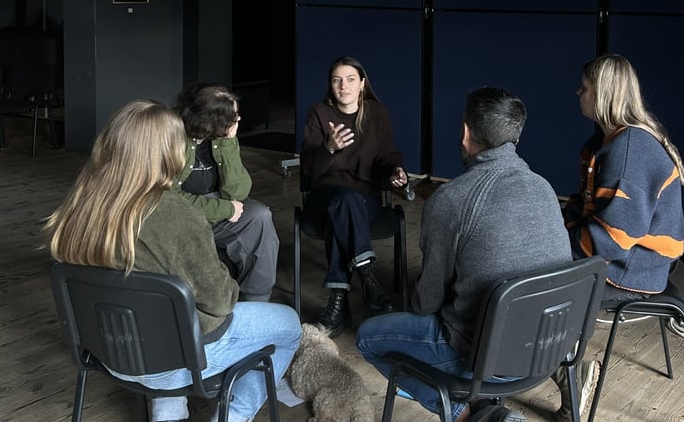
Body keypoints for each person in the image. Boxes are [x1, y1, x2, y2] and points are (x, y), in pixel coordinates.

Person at [43, 99, 301, 422]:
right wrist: (225, 276)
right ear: (168, 152)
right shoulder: (174, 213)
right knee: (289, 325)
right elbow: (220, 303)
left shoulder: (79, 207)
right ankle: (232, 416)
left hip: (106, 350)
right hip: (174, 362)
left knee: (162, 309)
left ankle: (168, 412)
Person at [356, 87, 577, 422]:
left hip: (485, 358)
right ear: (515, 135)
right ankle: (489, 411)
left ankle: (464, 415)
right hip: (550, 350)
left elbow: (427, 302)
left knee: (367, 339)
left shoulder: (451, 199)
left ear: (465, 132)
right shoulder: (545, 188)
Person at [565, 53, 684, 303]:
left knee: (537, 285)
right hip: (619, 259)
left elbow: (613, 239)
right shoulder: (602, 143)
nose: (578, 93)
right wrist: (555, 229)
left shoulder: (629, 153)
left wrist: (558, 248)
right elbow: (586, 204)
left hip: (630, 271)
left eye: (584, 88)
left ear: (603, 95)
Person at [300, 55, 408, 336]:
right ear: (330, 85)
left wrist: (395, 172)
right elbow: (309, 169)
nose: (343, 86)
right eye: (337, 80)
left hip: (364, 198)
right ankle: (367, 275)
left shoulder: (377, 113)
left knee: (345, 206)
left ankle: (338, 303)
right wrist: (329, 148)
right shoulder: (319, 113)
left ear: (362, 84)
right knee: (342, 201)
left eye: (350, 79)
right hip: (324, 196)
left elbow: (387, 156)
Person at [172, 82, 279, 302]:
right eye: (233, 116)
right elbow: (168, 200)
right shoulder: (172, 139)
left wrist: (227, 143)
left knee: (260, 216)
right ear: (209, 121)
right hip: (183, 215)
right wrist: (225, 209)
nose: (238, 119)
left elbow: (239, 191)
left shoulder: (221, 138)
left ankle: (257, 303)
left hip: (219, 207)